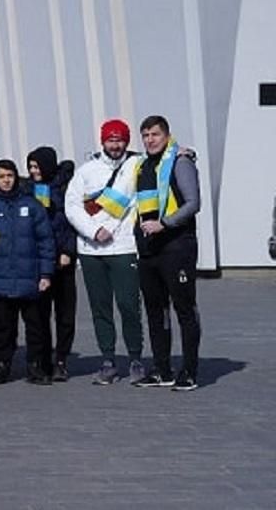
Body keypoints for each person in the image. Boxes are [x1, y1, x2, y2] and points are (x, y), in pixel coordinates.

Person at [64, 119, 145, 385]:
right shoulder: (86, 171)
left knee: (128, 305)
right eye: (110, 140)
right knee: (101, 308)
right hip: (91, 250)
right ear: (102, 141)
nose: (115, 145)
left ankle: (135, 357)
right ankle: (108, 359)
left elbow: (165, 157)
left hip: (123, 247)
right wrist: (93, 230)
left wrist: (184, 152)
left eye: (120, 139)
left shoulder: (136, 165)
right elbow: (72, 206)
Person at [133, 115, 202, 391]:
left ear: (167, 135)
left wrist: (165, 224)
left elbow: (193, 203)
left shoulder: (180, 161)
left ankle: (190, 371)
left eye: (155, 135)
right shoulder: (142, 164)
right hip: (149, 250)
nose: (150, 140)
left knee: (184, 309)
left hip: (177, 246)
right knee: (155, 310)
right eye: (146, 135)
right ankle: (163, 369)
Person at [0, 160, 54, 385]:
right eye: (1, 176)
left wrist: (45, 274)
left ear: (16, 177)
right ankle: (1, 366)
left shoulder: (32, 206)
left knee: (36, 327)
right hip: (1, 279)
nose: (6, 180)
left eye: (10, 176)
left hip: (29, 279)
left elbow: (46, 241)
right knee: (3, 328)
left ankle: (36, 366)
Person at [25, 146, 77, 381]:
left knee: (65, 314)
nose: (34, 171)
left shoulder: (66, 187)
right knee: (40, 313)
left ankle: (61, 358)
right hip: (39, 261)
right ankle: (43, 359)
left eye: (37, 167)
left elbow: (72, 220)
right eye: (31, 167)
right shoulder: (28, 189)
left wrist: (68, 250)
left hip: (63, 259)